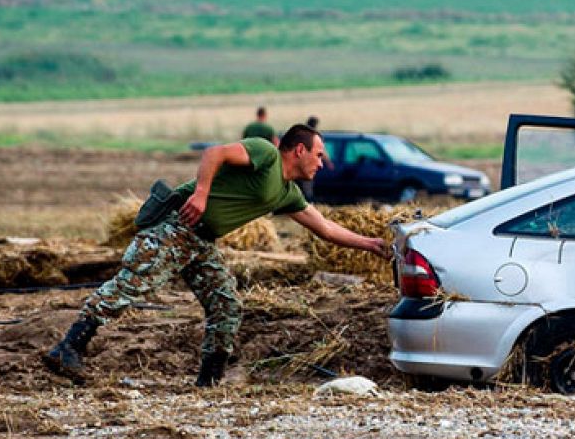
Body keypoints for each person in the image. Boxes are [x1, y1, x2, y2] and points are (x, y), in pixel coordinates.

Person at [43, 124, 390, 387]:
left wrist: (372, 244)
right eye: (318, 155)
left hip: (201, 242)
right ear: (298, 150)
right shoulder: (264, 154)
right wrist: (202, 194)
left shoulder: (286, 192)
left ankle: (208, 384)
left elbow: (326, 228)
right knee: (131, 287)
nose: (322, 163)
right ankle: (69, 347)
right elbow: (215, 153)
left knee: (226, 304)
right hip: (177, 228)